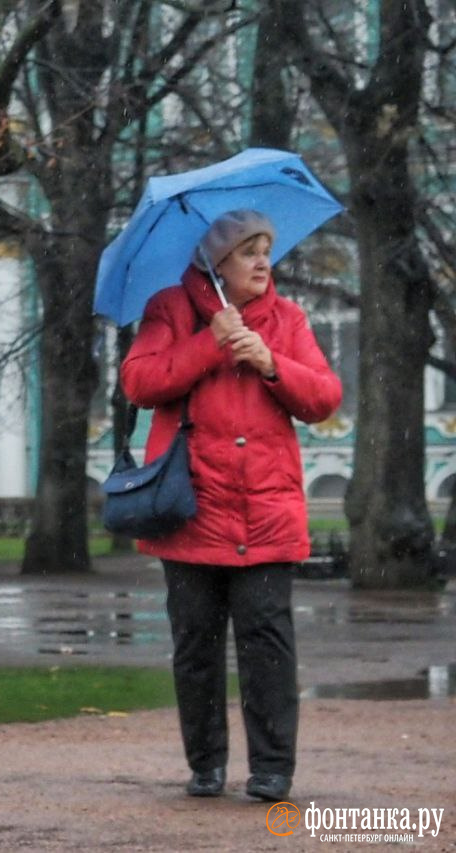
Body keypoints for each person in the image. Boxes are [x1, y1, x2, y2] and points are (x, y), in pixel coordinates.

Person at [120, 210, 342, 803]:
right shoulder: (171, 310)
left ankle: (272, 769)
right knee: (196, 645)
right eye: (249, 252)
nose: (264, 262)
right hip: (190, 511)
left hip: (267, 512)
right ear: (215, 262)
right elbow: (139, 383)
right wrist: (208, 342)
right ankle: (207, 764)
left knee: (267, 644)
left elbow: (323, 396)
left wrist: (271, 363)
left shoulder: (287, 318)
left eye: (267, 250)